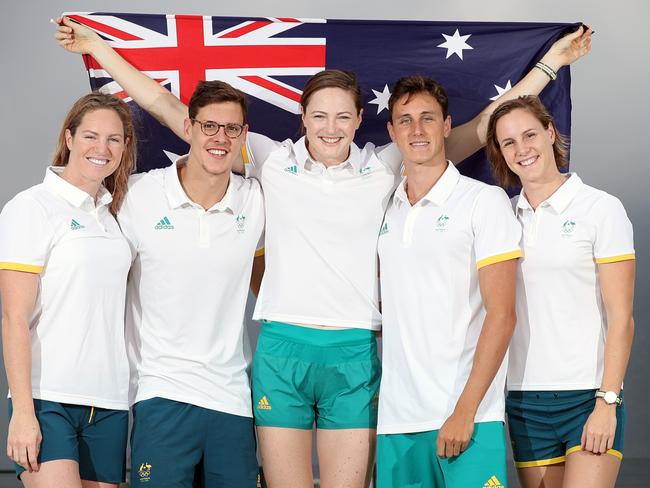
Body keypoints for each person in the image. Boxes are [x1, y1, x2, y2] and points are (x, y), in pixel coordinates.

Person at [55, 17, 591, 488]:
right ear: (302, 118)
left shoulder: (385, 165)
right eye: (319, 116)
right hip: (281, 348)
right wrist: (99, 50)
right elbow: (168, 108)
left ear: (360, 121)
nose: (330, 128)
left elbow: (479, 130)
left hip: (353, 351)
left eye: (342, 117)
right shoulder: (267, 160)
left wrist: (550, 64)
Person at [375, 75, 521, 488]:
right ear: (391, 131)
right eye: (404, 120)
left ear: (446, 125)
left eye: (427, 118)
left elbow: (503, 314)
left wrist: (465, 409)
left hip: (466, 416)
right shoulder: (386, 207)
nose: (416, 130)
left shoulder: (483, 201)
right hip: (397, 419)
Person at [118, 80, 264, 488]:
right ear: (189, 128)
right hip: (160, 392)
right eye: (210, 126)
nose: (220, 138)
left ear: (244, 135)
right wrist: (95, 46)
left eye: (232, 128)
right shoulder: (138, 195)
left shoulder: (256, 200)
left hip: (232, 396)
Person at [485, 95, 635, 488]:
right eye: (509, 143)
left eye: (530, 134)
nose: (522, 149)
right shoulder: (497, 218)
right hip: (523, 400)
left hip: (588, 396)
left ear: (550, 133)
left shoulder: (600, 209)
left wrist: (608, 401)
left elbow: (622, 318)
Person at [0, 93, 136, 487]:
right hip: (48, 396)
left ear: (124, 147)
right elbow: (13, 318)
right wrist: (24, 412)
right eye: (91, 136)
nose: (102, 148)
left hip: (109, 402)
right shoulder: (32, 208)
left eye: (114, 139)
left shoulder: (113, 218)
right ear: (69, 137)